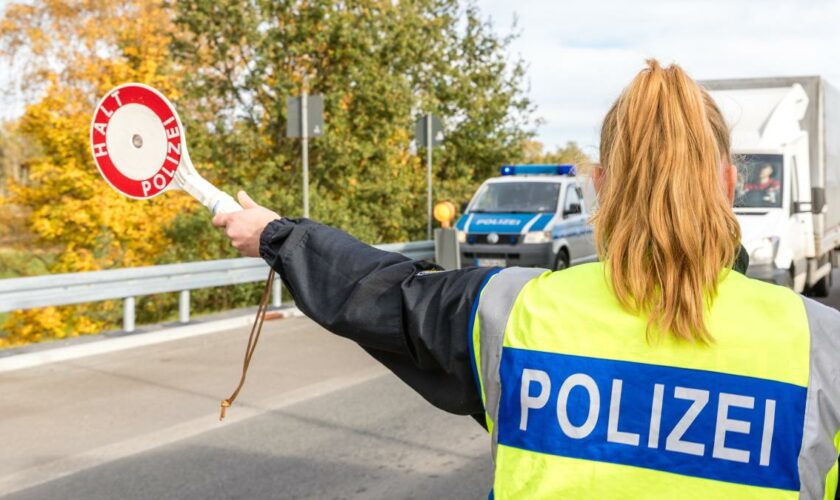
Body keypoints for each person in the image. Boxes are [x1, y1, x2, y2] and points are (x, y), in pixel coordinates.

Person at [213, 60, 840, 499]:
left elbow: (382, 293)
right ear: (728, 186)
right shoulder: (821, 346)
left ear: (599, 188)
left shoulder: (512, 313)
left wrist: (277, 235)